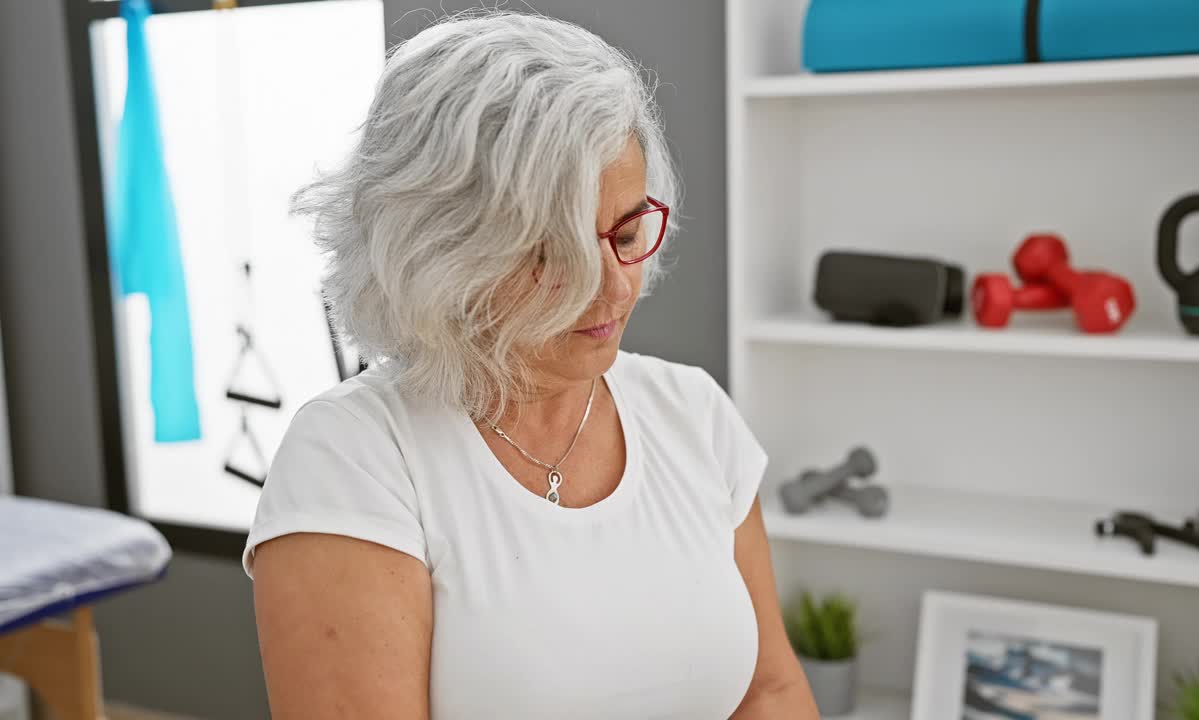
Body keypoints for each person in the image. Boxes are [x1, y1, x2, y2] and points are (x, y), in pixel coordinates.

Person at [243, 10, 819, 719]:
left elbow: (769, 690)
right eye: (555, 254)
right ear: (437, 256)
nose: (613, 286)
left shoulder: (693, 414)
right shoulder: (354, 459)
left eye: (627, 231)